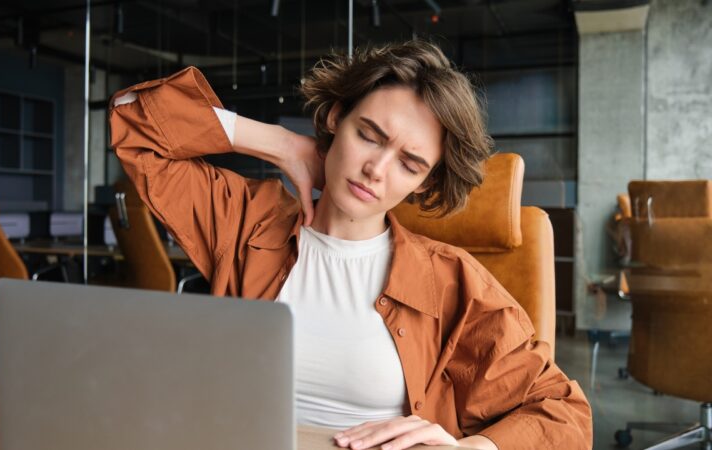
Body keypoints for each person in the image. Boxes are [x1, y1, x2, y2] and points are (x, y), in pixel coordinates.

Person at [109, 40, 592, 450]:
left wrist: (475, 448)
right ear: (337, 117)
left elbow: (564, 413)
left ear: (424, 184)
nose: (376, 170)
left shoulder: (451, 281)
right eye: (368, 135)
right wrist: (280, 142)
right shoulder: (246, 221)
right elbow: (131, 118)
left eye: (410, 163)